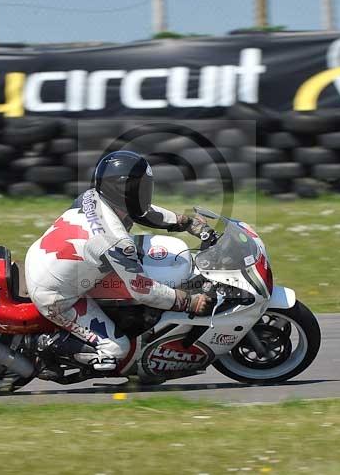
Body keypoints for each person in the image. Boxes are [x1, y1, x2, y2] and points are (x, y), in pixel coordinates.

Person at [24, 150, 214, 377]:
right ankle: (46, 347)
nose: (145, 192)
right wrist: (188, 302)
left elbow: (144, 213)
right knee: (117, 349)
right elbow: (143, 290)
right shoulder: (115, 240)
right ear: (123, 190)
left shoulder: (92, 196)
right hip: (55, 295)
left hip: (47, 259)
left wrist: (187, 223)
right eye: (139, 187)